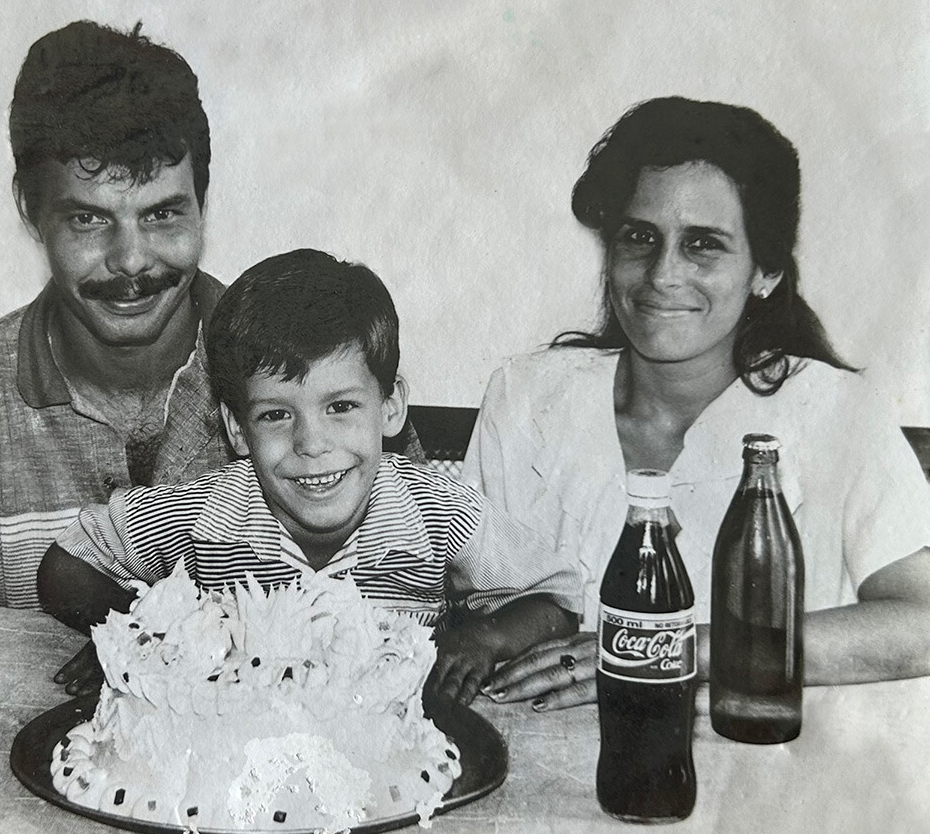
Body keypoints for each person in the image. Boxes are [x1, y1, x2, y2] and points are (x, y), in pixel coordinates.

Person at [466, 97, 930, 710]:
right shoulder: (527, 398)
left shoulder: (836, 412)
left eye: (703, 244)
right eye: (640, 237)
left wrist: (678, 649)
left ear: (763, 271)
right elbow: (463, 598)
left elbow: (927, 624)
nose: (663, 274)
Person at [38, 248, 583, 703]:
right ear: (236, 429)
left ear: (391, 407)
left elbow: (556, 598)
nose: (311, 444)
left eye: (341, 406)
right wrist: (133, 630)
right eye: (276, 414)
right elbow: (64, 564)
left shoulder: (437, 512)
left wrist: (486, 638)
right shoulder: (206, 515)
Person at [0, 20, 231, 611]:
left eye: (162, 216)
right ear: (32, 213)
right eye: (88, 219)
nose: (131, 259)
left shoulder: (319, 379)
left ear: (202, 205)